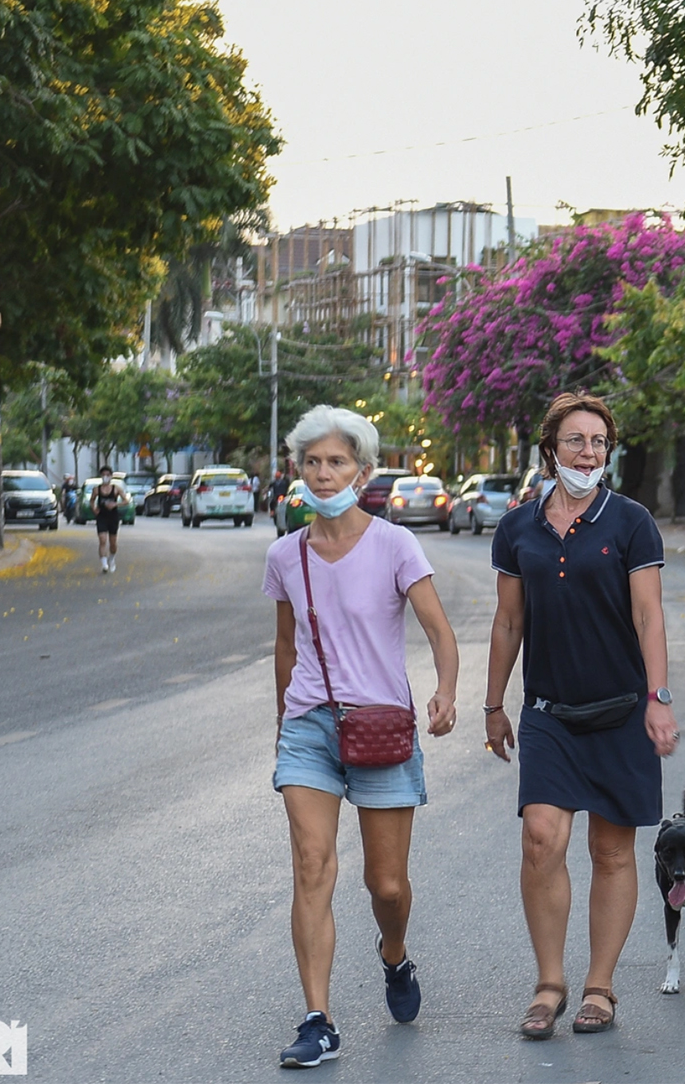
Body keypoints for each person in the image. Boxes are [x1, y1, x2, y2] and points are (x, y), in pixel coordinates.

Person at [263, 404, 461, 1069]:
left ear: (364, 471)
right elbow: (286, 647)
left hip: (381, 728)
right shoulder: (285, 554)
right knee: (312, 864)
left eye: (337, 462)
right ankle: (318, 1020)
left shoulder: (394, 545)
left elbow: (439, 630)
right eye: (312, 462)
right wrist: (284, 727)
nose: (323, 474)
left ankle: (393, 954)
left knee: (387, 887)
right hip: (310, 729)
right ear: (299, 470)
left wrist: (445, 692)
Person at [483, 392, 677, 1039]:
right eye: (576, 440)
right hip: (549, 713)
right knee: (541, 838)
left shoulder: (631, 522)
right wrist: (493, 704)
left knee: (611, 850)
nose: (589, 453)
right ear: (550, 449)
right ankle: (549, 984)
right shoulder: (518, 528)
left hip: (622, 711)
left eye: (599, 442)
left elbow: (648, 616)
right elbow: (508, 622)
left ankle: (600, 985)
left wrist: (658, 698)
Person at [92, 466, 129, 574]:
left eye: (107, 475)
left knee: (113, 542)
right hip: (101, 516)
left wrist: (115, 504)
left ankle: (111, 558)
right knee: (102, 539)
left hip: (113, 517)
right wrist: (94, 509)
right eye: (103, 475)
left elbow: (126, 501)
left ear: (111, 476)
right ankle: (104, 564)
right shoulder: (97, 489)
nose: (105, 477)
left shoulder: (116, 489)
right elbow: (92, 500)